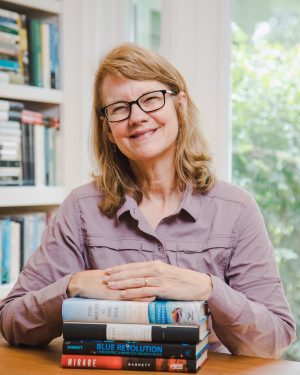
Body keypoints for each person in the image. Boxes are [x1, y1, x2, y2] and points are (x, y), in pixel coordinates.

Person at [0, 43, 296, 358]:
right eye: (118, 108)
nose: (137, 117)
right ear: (108, 129)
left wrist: (207, 289)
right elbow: (11, 321)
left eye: (151, 99)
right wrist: (73, 286)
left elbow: (274, 339)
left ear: (180, 105)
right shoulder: (81, 208)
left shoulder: (236, 209)